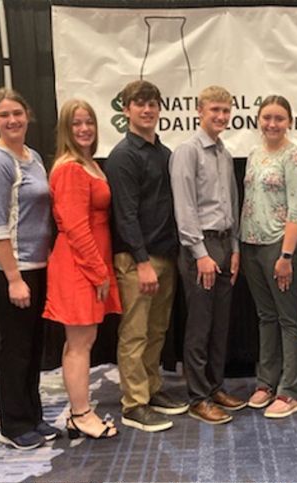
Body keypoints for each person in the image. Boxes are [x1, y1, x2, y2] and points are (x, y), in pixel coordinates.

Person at [0, 87, 58, 450]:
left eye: (17, 113)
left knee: (33, 345)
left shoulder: (33, 156)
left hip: (38, 264)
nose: (12, 120)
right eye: (4, 115)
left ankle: (32, 415)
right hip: (11, 268)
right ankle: (12, 424)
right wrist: (13, 279)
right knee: (16, 347)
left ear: (28, 116)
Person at [106, 80, 187, 433]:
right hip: (138, 260)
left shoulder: (164, 153)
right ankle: (134, 403)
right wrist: (140, 262)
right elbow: (125, 214)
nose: (147, 109)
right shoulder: (123, 157)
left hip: (164, 256)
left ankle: (152, 389)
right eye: (139, 104)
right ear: (126, 111)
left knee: (157, 331)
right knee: (135, 333)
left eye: (153, 103)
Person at [43, 98, 121, 440]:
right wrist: (98, 271)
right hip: (79, 263)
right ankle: (80, 414)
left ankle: (80, 411)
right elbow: (75, 227)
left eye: (88, 121)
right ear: (65, 129)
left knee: (82, 339)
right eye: (76, 123)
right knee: (80, 342)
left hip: (90, 260)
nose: (84, 128)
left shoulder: (88, 164)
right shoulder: (71, 168)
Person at [170, 85, 245, 425]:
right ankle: (198, 397)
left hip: (225, 244)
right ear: (199, 111)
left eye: (226, 111)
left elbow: (231, 202)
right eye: (214, 109)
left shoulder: (225, 153)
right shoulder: (188, 151)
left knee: (221, 324)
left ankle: (215, 387)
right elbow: (184, 206)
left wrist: (235, 248)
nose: (220, 116)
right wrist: (199, 252)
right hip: (199, 248)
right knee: (200, 325)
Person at [240, 96, 297, 418]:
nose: (272, 123)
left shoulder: (293, 157)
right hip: (251, 245)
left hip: (279, 247)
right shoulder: (254, 154)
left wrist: (286, 255)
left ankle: (290, 390)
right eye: (267, 117)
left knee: (288, 320)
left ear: (289, 122)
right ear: (258, 119)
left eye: (279, 118)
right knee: (265, 318)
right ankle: (266, 382)